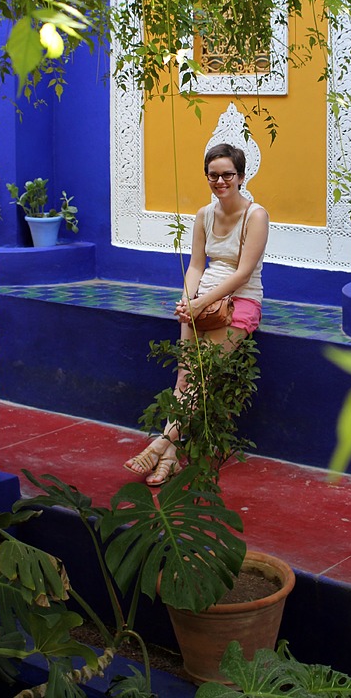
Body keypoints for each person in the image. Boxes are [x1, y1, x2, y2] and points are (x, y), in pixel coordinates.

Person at [124, 143, 269, 486]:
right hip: (200, 300)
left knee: (202, 374)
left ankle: (162, 442)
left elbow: (243, 273)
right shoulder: (204, 215)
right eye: (214, 175)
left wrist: (201, 304)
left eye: (227, 175)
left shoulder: (256, 215)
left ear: (241, 177)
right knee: (184, 375)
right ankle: (171, 456)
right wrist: (187, 299)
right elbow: (196, 266)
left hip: (239, 302)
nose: (220, 181)